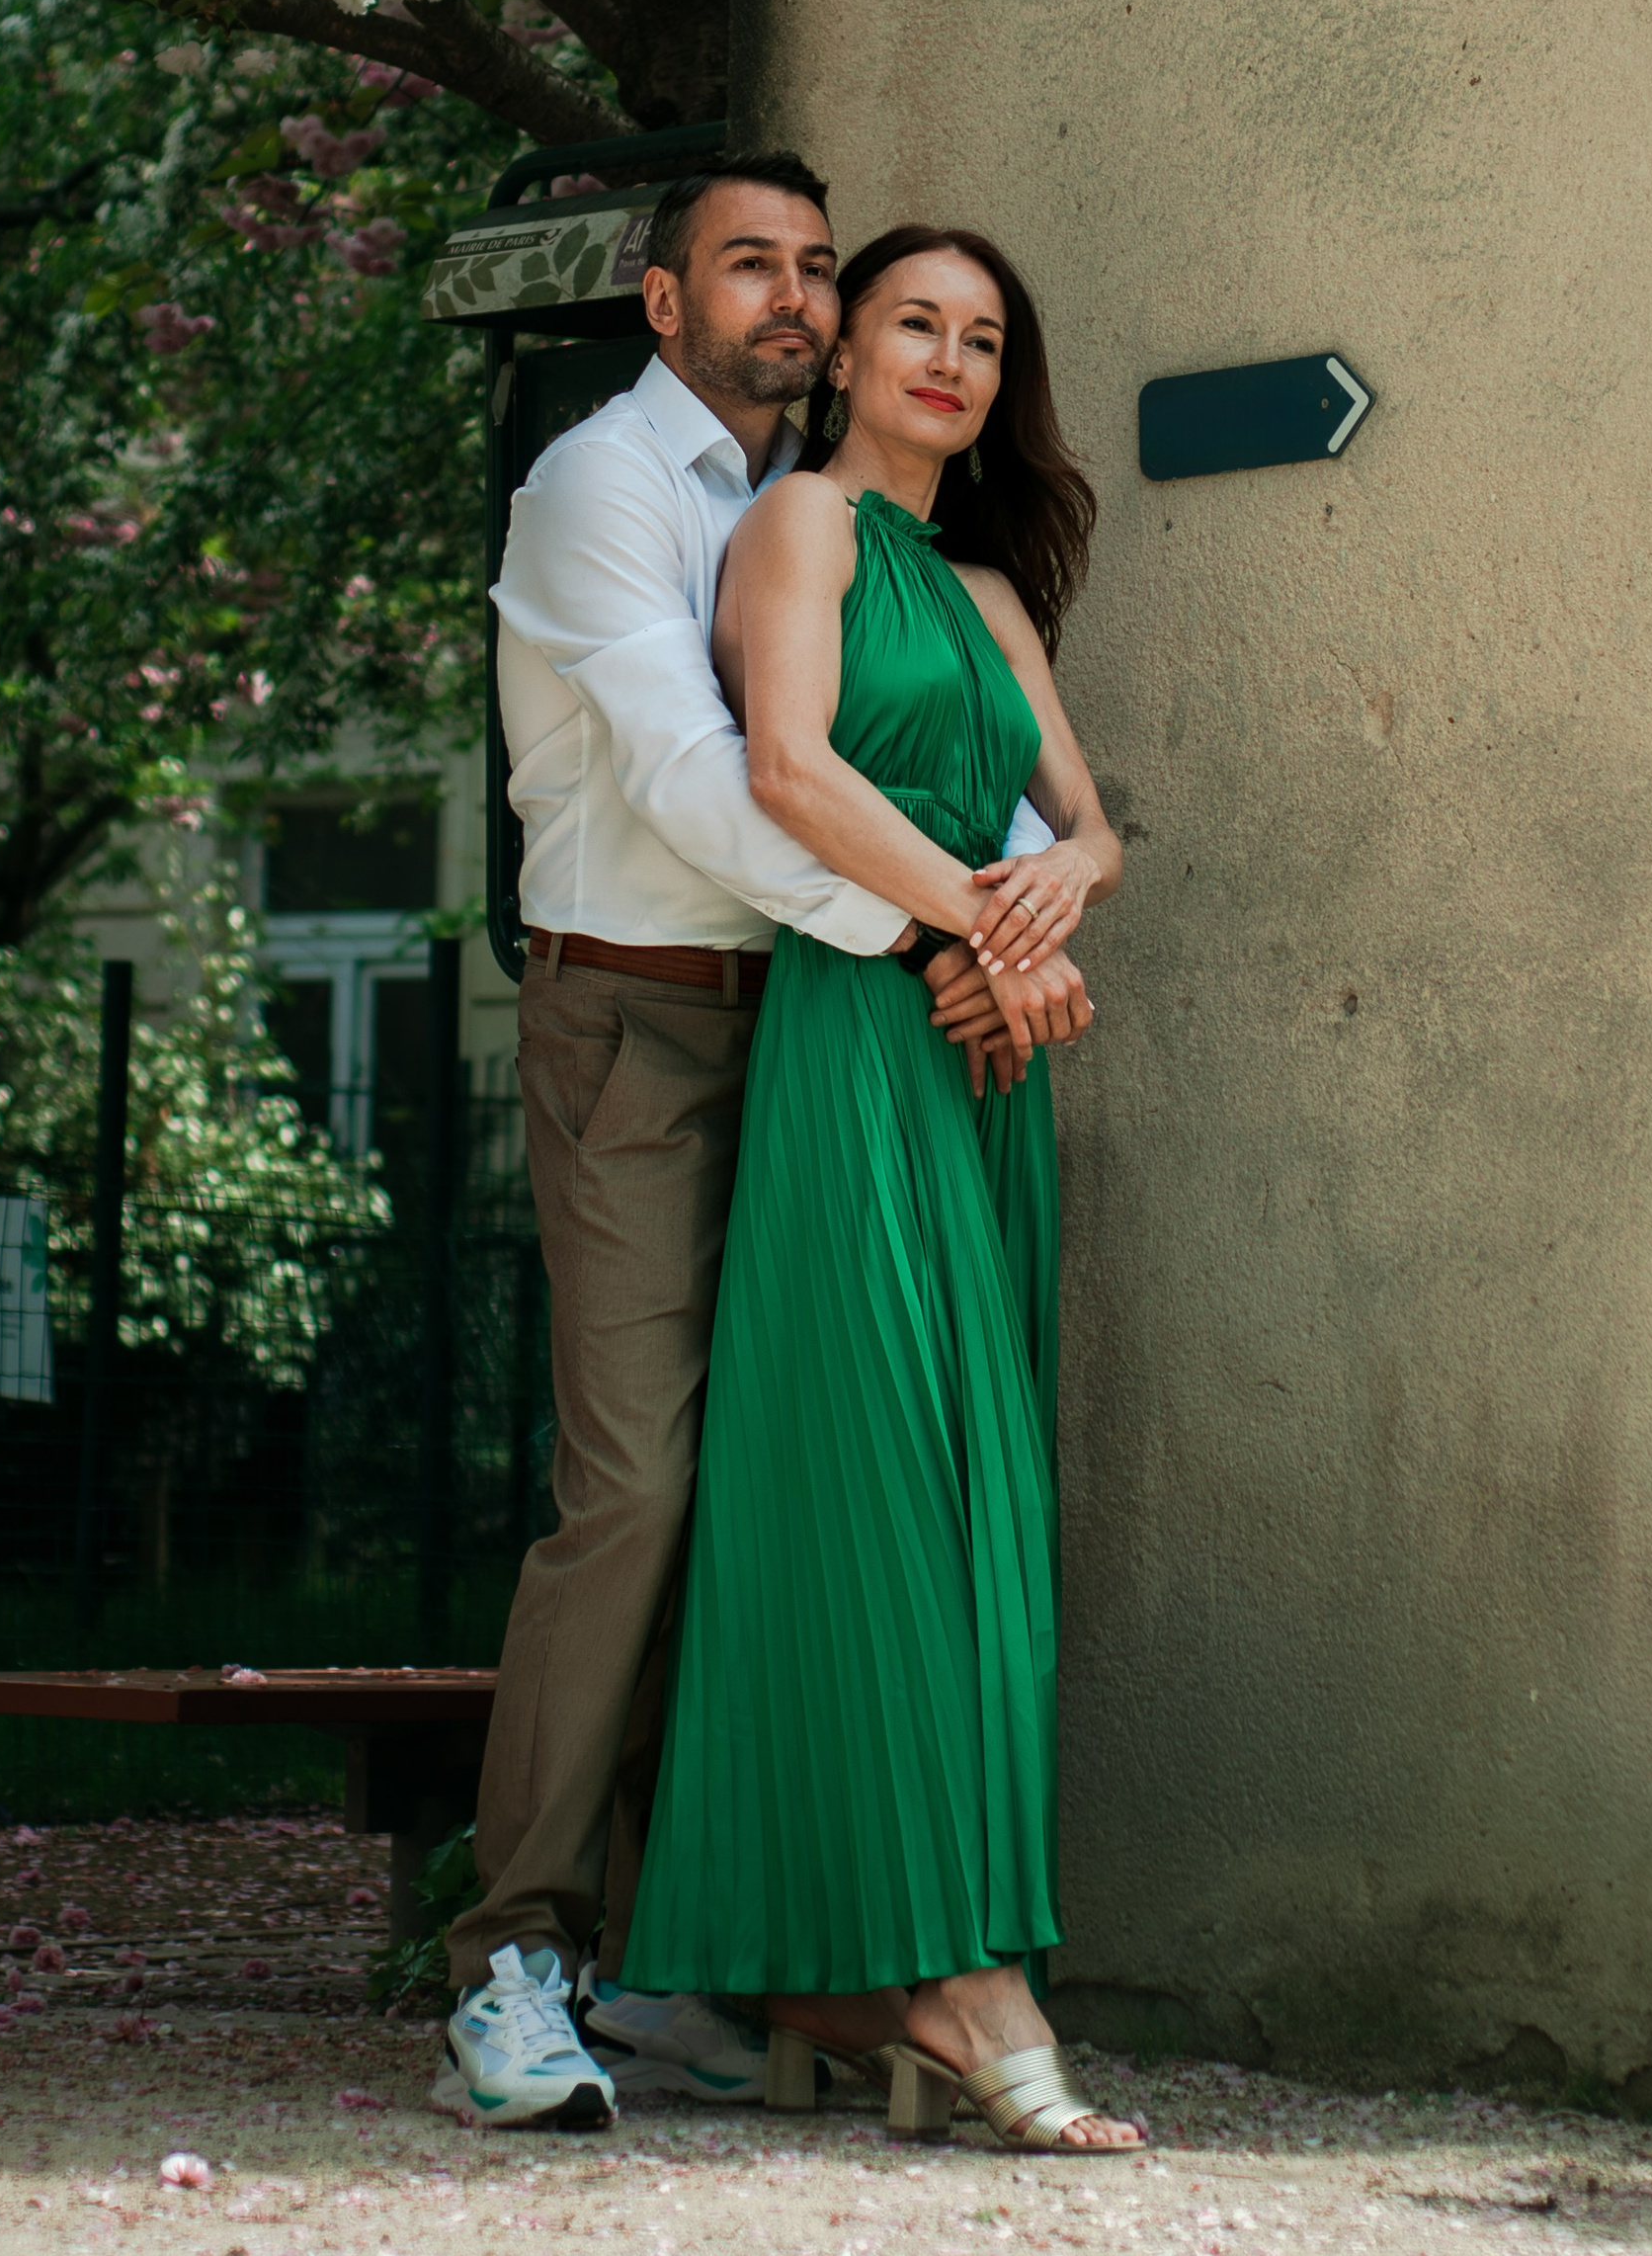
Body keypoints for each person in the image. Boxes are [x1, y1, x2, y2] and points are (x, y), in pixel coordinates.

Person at [438, 155, 1097, 2133]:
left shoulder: (821, 515)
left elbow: (949, 766)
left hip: (822, 1033)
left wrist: (990, 915)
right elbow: (714, 776)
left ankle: (700, 1962)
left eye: (819, 263)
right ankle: (511, 1956)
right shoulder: (600, 486)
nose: (795, 294)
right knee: (635, 1484)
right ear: (659, 299)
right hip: (642, 1016)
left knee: (777, 1499)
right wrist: (947, 930)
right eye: (752, 263)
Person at [620, 225, 1143, 2157]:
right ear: (844, 353)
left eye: (982, 335)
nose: (947, 354)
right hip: (858, 1057)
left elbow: (1086, 820)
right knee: (881, 1514)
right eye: (915, 320)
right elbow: (788, 770)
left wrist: (1053, 895)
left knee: (978, 1521)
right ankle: (958, 1981)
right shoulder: (803, 535)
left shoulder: (993, 590)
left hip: (985, 1081)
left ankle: (846, 1988)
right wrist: (981, 930)